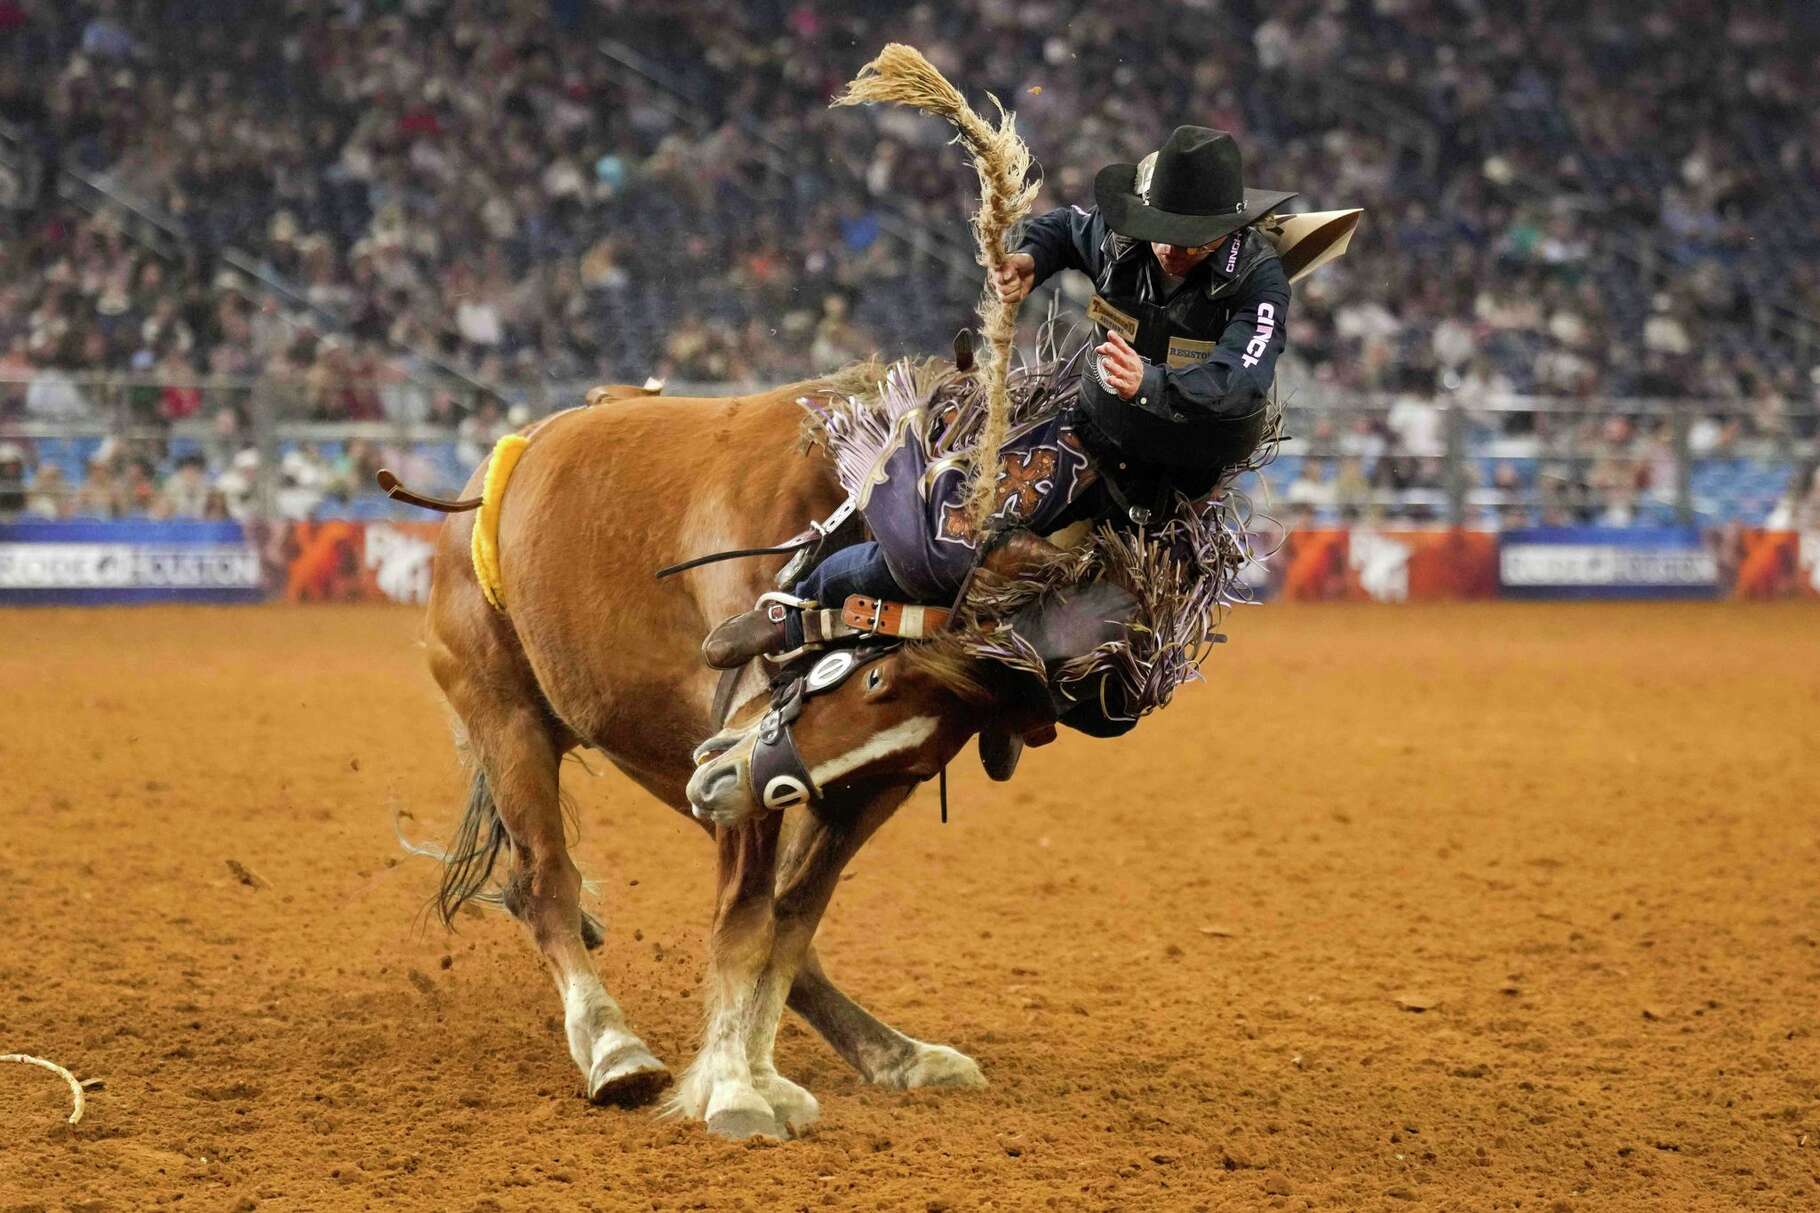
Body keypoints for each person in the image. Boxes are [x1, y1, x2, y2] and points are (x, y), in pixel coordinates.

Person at [703, 126, 1295, 669]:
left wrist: (1152, 384)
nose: (1171, 248)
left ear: (1228, 231)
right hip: (1095, 432)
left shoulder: (1259, 279)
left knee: (1113, 652)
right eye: (1161, 229)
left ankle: (1010, 696)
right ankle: (792, 609)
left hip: (1184, 472)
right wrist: (1033, 259)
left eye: (1189, 239)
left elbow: (1240, 381)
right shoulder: (1119, 237)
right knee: (945, 546)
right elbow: (1063, 229)